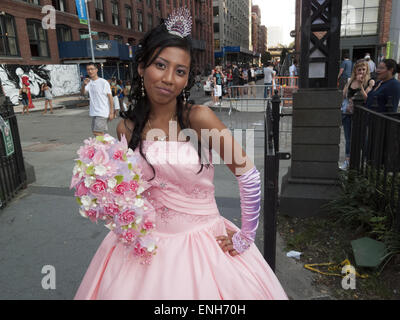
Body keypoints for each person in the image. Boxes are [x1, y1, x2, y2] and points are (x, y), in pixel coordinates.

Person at [74, 8, 288, 300]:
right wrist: (111, 197)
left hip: (202, 244)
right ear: (141, 68)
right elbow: (131, 189)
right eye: (160, 65)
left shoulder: (199, 117)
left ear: (187, 78)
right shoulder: (125, 128)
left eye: (180, 71)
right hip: (142, 246)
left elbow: (248, 175)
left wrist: (246, 237)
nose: (169, 79)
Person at [339, 60, 375, 170]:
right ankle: (348, 160)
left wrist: (360, 86)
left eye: (364, 69)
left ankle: (365, 161)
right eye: (359, 69)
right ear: (355, 70)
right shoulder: (350, 80)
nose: (361, 72)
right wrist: (347, 84)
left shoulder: (370, 81)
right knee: (348, 138)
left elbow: (366, 98)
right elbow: (344, 95)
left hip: (360, 115)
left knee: (363, 138)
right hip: (347, 113)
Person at [81, 63, 114, 136]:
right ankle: (106, 146)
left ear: (96, 70)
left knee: (97, 133)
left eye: (92, 69)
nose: (90, 71)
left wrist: (111, 112)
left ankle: (108, 145)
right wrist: (84, 84)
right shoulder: (89, 83)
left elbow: (110, 97)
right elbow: (83, 93)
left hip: (102, 112)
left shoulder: (103, 82)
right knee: (99, 134)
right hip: (94, 112)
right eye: (88, 69)